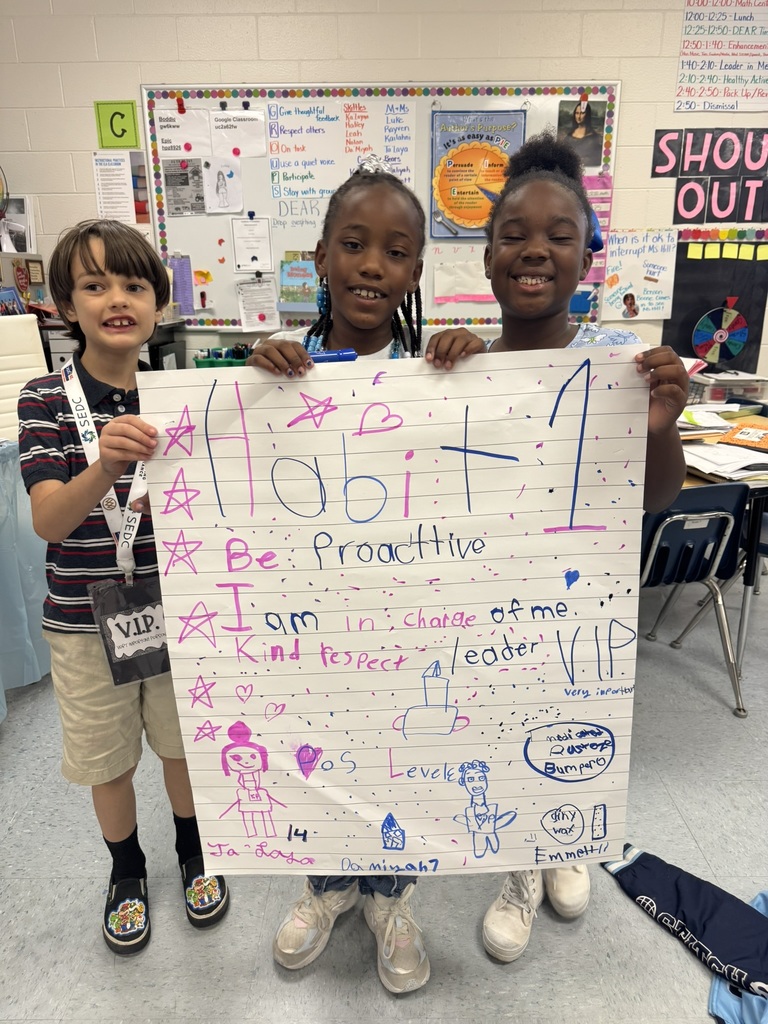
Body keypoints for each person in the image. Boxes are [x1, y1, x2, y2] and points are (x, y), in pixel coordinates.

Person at [248, 159, 485, 994]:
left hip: (409, 622)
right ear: (320, 257)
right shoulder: (279, 373)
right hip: (308, 622)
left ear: (417, 271)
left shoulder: (440, 373)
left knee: (394, 754)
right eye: (354, 245)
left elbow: (487, 477)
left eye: (395, 251)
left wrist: (483, 374)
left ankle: (389, 895)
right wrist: (253, 378)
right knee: (319, 751)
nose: (373, 265)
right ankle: (326, 885)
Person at [476, 130, 688, 963]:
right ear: (488, 258)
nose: (535, 250)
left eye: (559, 236)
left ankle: (560, 841)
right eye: (514, 235)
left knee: (565, 731)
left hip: (577, 613)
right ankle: (517, 868)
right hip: (488, 608)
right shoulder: (460, 369)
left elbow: (660, 494)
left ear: (587, 255)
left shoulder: (616, 367)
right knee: (500, 733)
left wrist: (660, 428)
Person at [17, 220, 230, 955]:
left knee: (184, 748)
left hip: (182, 612)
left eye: (135, 284)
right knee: (107, 760)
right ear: (66, 305)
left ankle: (196, 852)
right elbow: (50, 520)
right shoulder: (44, 397)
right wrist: (104, 468)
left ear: (159, 303)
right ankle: (127, 870)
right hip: (82, 621)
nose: (116, 298)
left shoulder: (186, 395)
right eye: (95, 284)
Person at [561, 101, 603, 168]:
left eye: (582, 113)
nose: (579, 116)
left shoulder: (595, 139)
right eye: (577, 113)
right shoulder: (568, 137)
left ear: (587, 115)